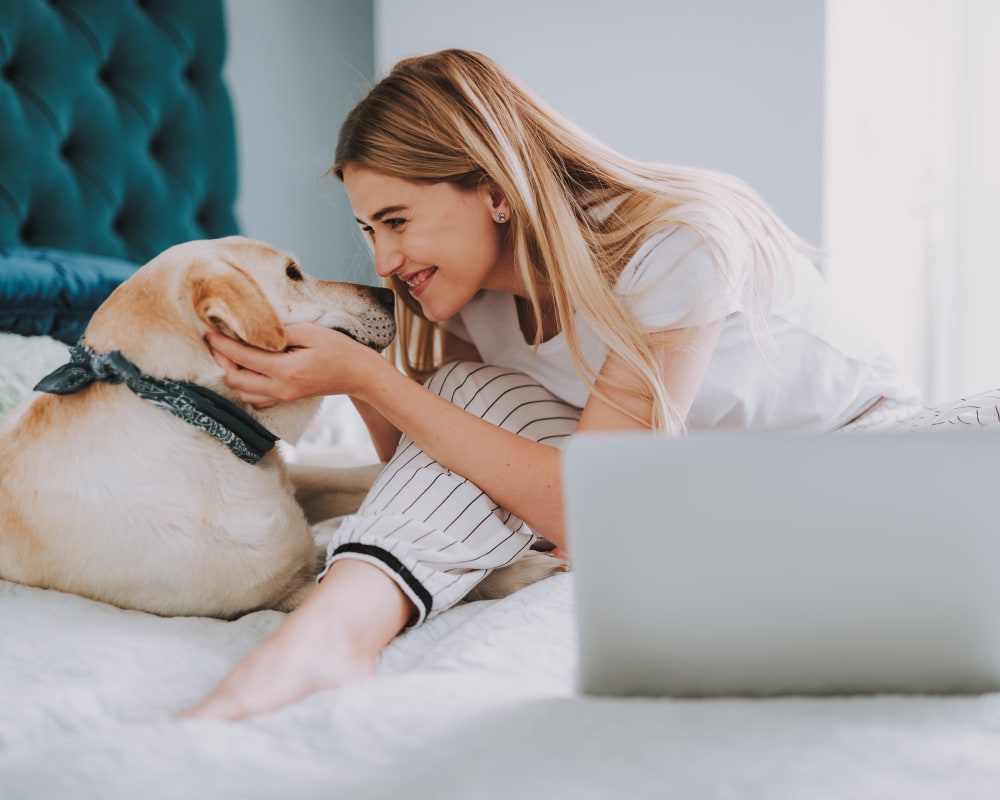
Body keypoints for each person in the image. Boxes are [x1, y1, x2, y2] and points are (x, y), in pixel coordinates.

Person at [182, 48, 929, 721]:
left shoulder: (675, 242)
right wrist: (356, 367)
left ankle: (331, 633)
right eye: (371, 229)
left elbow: (600, 505)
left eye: (397, 220)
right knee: (474, 399)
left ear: (494, 190)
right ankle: (332, 635)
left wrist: (371, 377)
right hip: (704, 491)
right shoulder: (466, 295)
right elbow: (425, 469)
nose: (383, 260)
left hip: (852, 460)